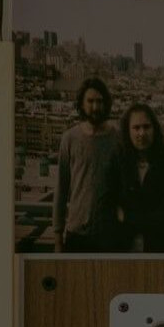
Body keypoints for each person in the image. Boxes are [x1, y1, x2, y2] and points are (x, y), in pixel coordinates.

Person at [53, 76, 122, 252]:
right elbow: (61, 190)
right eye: (90, 101)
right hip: (76, 235)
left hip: (109, 234)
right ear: (81, 104)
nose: (95, 107)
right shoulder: (69, 139)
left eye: (99, 101)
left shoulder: (118, 138)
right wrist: (58, 238)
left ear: (106, 104)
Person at [115, 103, 164, 253]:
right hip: (123, 249)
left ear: (155, 129)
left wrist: (128, 217)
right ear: (127, 131)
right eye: (136, 128)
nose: (142, 133)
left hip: (158, 249)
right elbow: (109, 208)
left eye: (146, 127)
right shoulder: (118, 166)